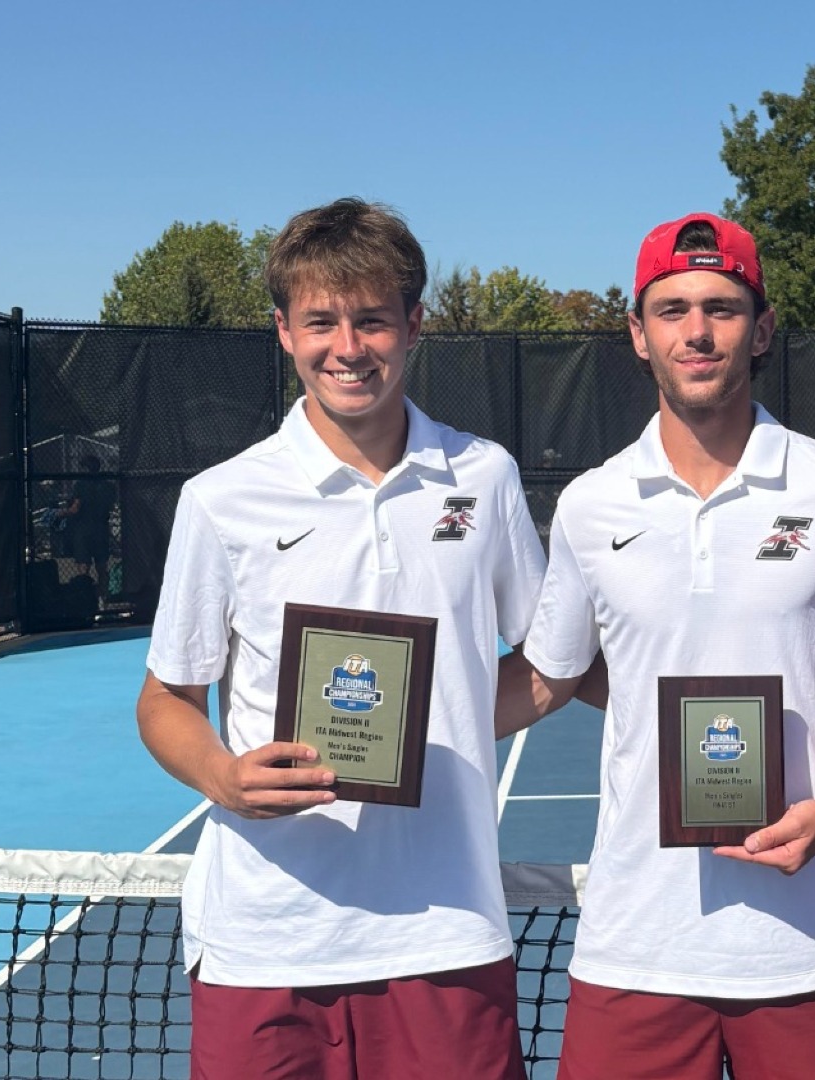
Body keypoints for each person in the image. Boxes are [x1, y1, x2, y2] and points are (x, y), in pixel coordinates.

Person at [500, 212, 815, 1080]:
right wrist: (384, 736)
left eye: (721, 307)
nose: (695, 331)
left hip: (809, 945)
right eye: (670, 310)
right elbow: (548, 680)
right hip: (634, 951)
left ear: (762, 327)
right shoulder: (592, 506)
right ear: (637, 334)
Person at [136, 197, 543, 1080]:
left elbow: (546, 662)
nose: (347, 347)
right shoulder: (221, 499)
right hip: (267, 941)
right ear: (284, 331)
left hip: (448, 930)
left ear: (415, 325)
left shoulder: (486, 477)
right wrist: (223, 777)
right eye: (321, 321)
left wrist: (446, 719)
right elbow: (168, 699)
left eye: (371, 320)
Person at [58, 453, 115, 588]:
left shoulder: (81, 485)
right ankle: (103, 598)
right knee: (101, 566)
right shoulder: (107, 485)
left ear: (85, 469)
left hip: (84, 529)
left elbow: (76, 508)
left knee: (83, 566)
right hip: (101, 528)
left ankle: (84, 596)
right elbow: (111, 505)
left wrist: (61, 513)